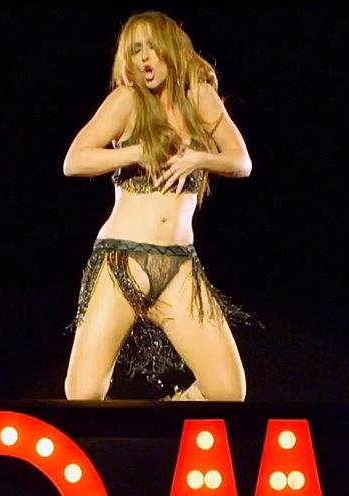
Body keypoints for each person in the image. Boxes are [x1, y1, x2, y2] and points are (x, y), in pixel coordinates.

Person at [62, 11, 254, 401]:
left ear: (171, 48)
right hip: (122, 260)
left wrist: (199, 159)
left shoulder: (199, 97)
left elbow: (241, 162)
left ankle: (170, 412)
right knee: (83, 393)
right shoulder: (127, 100)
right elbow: (74, 161)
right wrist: (136, 152)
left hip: (178, 264)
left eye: (151, 47)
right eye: (136, 51)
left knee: (228, 391)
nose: (145, 58)